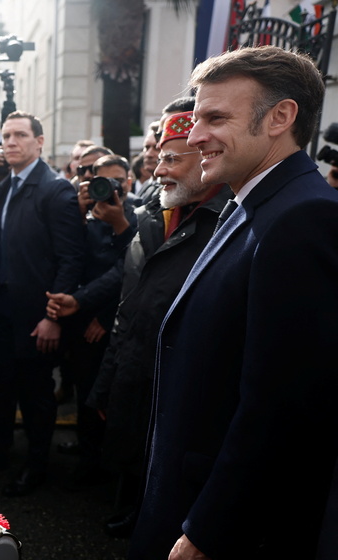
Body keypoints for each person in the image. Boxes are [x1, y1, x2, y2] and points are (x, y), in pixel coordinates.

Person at [129, 46, 338, 559]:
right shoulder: (251, 204)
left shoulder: (303, 217)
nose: (194, 135)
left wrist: (207, 528)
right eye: (197, 117)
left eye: (215, 118)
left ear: (281, 118)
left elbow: (283, 406)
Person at [85, 108, 232, 540]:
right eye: (160, 157)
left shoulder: (226, 222)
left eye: (173, 159)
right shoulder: (153, 215)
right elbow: (130, 307)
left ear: (205, 161)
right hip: (136, 364)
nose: (159, 168)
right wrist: (109, 379)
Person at [0, 110, 86, 496]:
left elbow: (71, 259)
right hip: (3, 310)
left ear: (39, 141)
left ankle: (37, 465)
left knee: (37, 394)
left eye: (20, 135)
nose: (10, 142)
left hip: (37, 314)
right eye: (6, 136)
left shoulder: (54, 190)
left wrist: (53, 317)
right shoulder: (6, 185)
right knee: (3, 385)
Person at [46, 153, 137, 487]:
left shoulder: (140, 212)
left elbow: (129, 271)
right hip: (80, 319)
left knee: (112, 397)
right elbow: (74, 259)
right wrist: (83, 217)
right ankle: (88, 459)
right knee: (85, 392)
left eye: (115, 181)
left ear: (128, 181)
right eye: (102, 180)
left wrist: (103, 314)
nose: (109, 188)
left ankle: (111, 466)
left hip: (112, 320)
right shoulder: (84, 212)